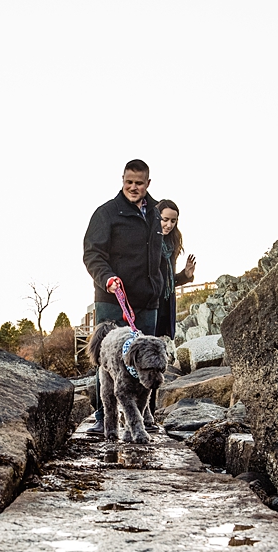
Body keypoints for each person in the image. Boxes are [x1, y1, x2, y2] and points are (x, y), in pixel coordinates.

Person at [82, 159, 165, 434]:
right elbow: (92, 254)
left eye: (139, 183)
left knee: (146, 361)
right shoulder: (106, 213)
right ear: (122, 180)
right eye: (128, 182)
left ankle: (145, 417)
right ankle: (102, 417)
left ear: (148, 184)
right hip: (112, 298)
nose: (133, 187)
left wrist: (160, 285)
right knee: (108, 362)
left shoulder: (154, 214)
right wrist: (107, 278)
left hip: (147, 301)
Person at [155, 199, 197, 341]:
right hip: (150, 303)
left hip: (167, 304)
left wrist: (185, 274)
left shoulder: (172, 244)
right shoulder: (147, 243)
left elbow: (169, 280)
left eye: (173, 221)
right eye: (165, 220)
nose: (169, 225)